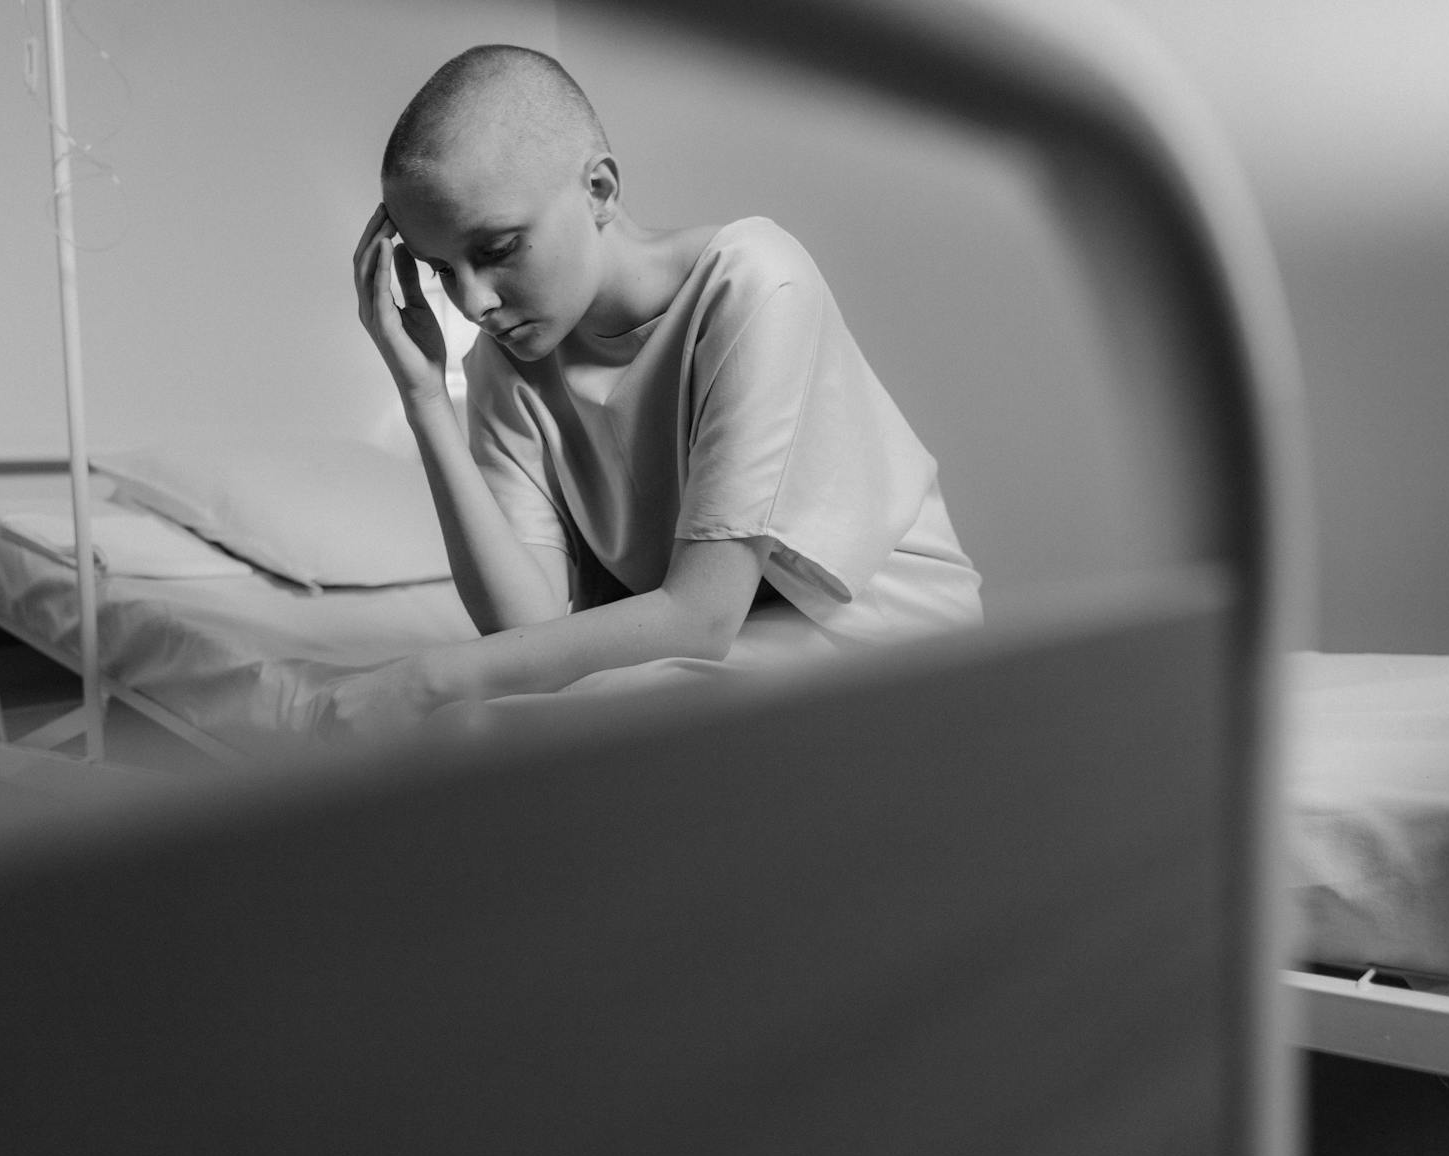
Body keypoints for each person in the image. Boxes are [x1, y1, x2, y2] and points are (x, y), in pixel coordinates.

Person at [334, 44, 980, 741]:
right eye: (441, 271)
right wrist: (424, 395)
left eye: (494, 250)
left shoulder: (755, 281)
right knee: (488, 731)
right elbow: (527, 629)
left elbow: (701, 616)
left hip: (885, 643)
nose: (473, 303)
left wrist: (428, 676)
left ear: (600, 191)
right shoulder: (509, 357)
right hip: (709, 646)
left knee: (488, 730)